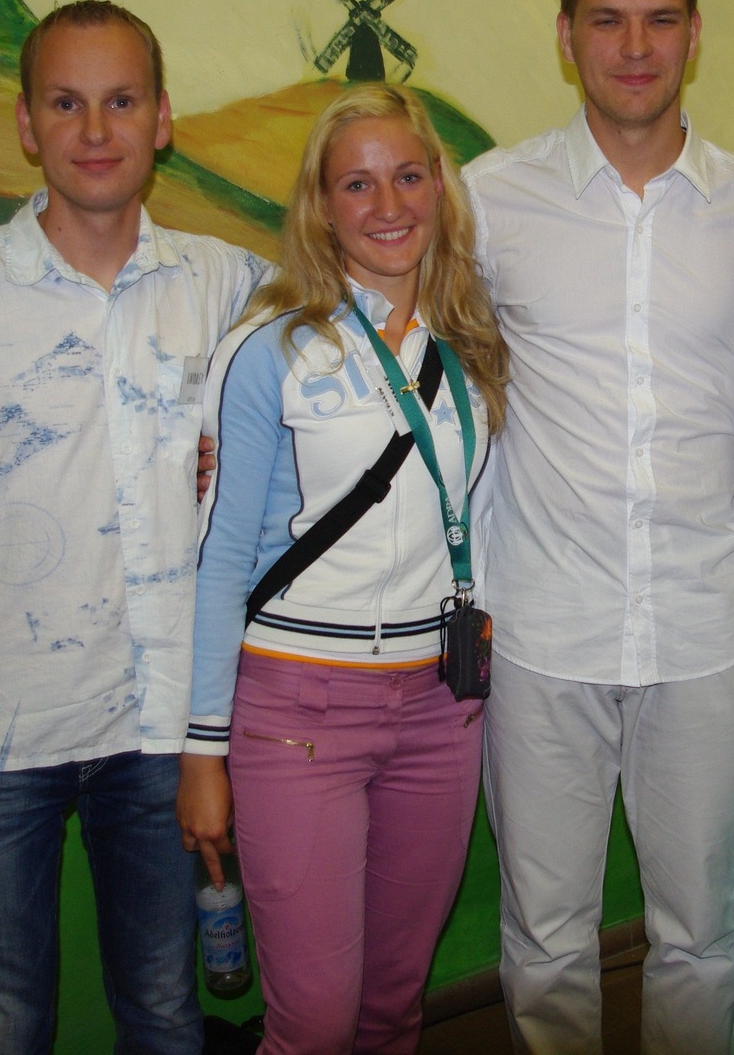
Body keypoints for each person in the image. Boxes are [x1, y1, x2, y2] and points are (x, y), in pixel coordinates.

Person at [0, 0, 272, 1053]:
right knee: (2, 1025)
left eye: (121, 101)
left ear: (162, 117)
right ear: (27, 124)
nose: (96, 130)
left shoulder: (229, 286)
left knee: (164, 1013)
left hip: (163, 731)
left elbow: (311, 434)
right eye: (66, 103)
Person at [463, 0, 734, 1054]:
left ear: (696, 33)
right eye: (608, 19)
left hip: (700, 628)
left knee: (700, 930)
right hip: (541, 629)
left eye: (660, 19)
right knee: (547, 933)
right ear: (567, 36)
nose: (636, 46)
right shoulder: (489, 199)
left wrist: (705, 493)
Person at [177, 83, 510, 1055]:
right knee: (316, 1023)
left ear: (439, 186)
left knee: (393, 1008)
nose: (388, 204)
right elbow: (218, 560)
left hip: (440, 712)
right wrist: (201, 752)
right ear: (322, 206)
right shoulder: (270, 348)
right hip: (298, 711)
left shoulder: (472, 347)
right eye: (357, 184)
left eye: (408, 176)